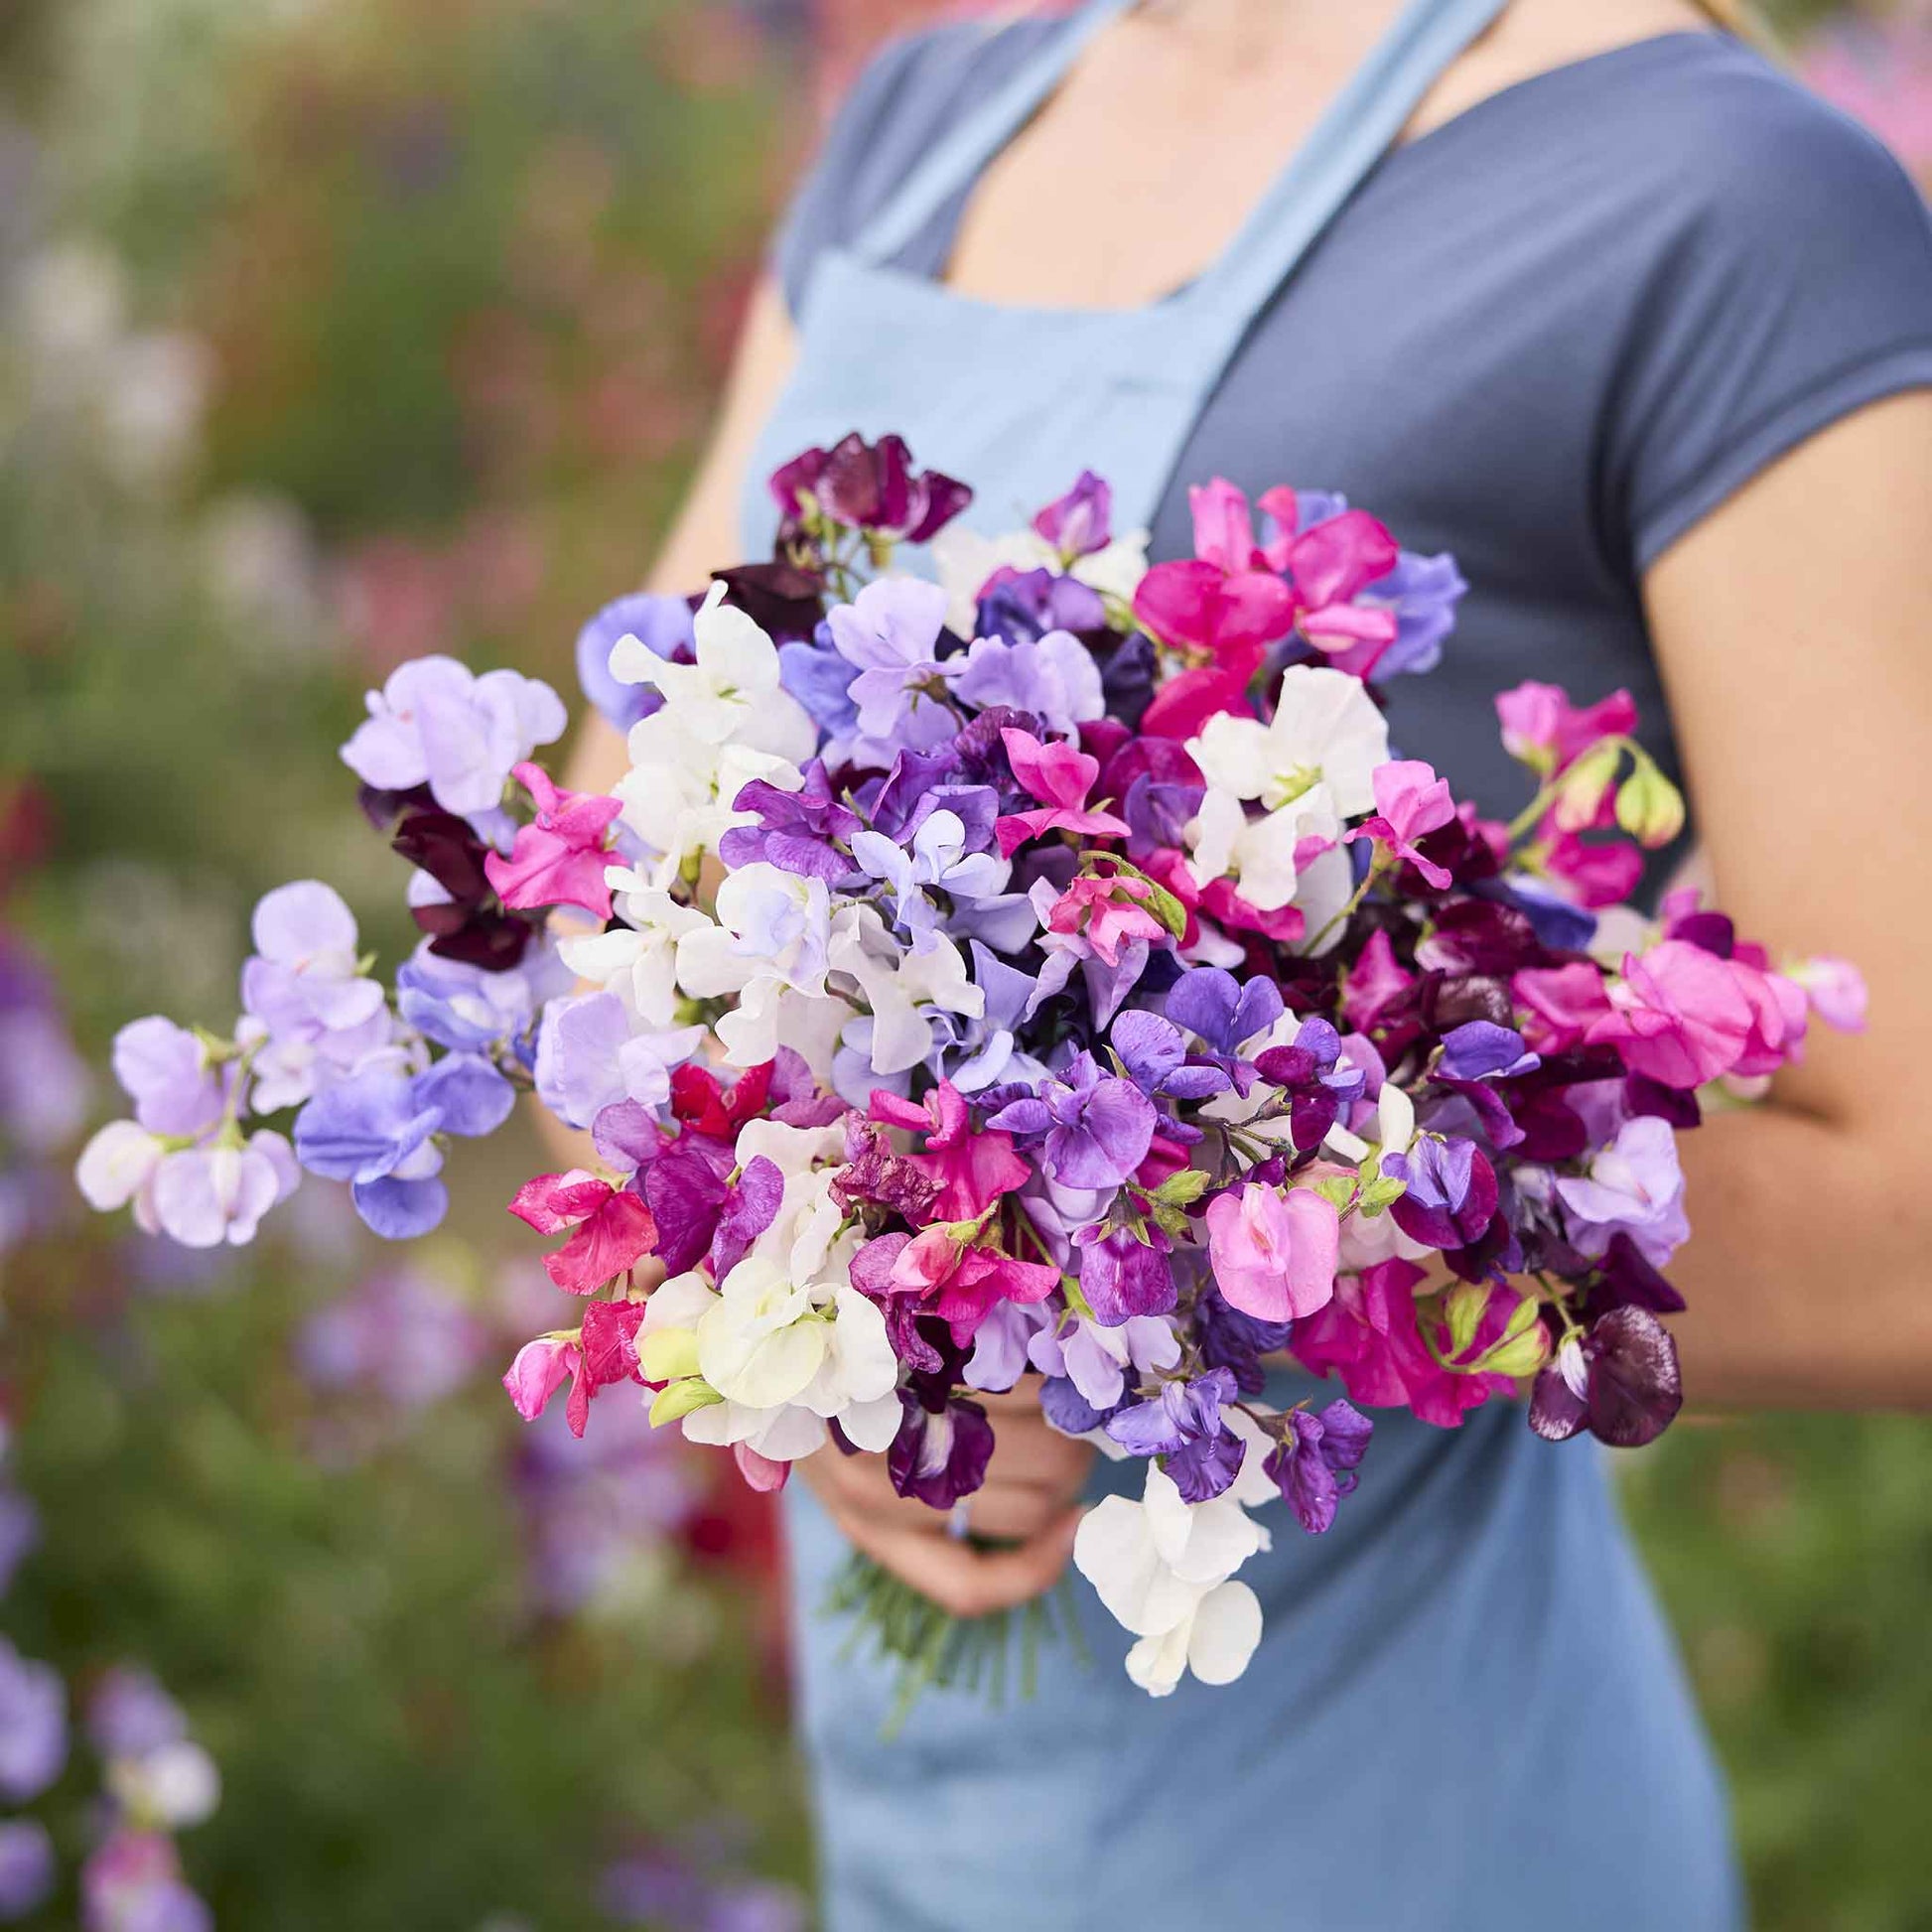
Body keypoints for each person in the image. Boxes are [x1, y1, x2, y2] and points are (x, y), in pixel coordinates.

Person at [561, 1, 1932, 1923]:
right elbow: (624, 845)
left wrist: (1208, 1240)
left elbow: (1914, 1213)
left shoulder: (1716, 202)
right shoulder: (933, 123)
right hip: (930, 1838)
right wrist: (826, 1308)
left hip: (1398, 1820)